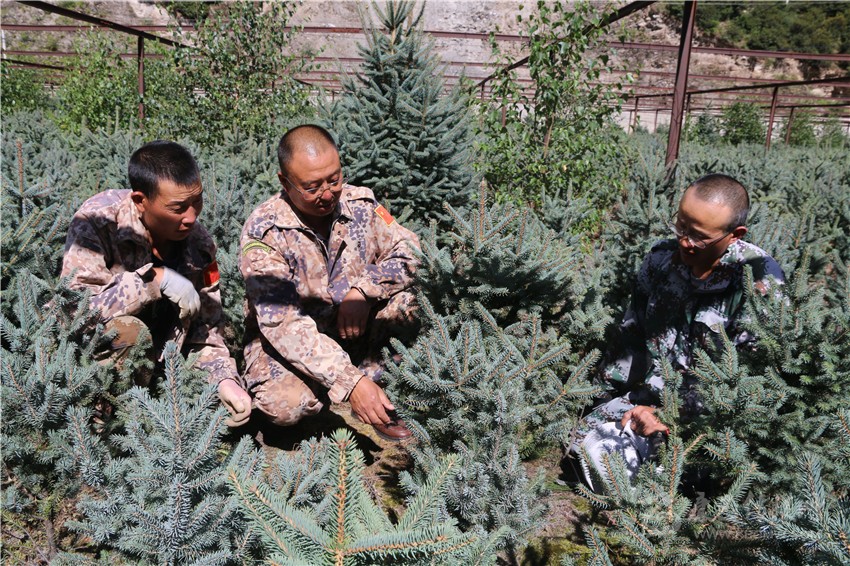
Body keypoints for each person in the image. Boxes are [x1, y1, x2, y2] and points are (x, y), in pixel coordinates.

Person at [573, 173, 785, 490]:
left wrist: (669, 418)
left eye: (698, 236)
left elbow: (751, 382)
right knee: (590, 450)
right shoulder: (661, 260)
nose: (685, 241)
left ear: (735, 235)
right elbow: (631, 340)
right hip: (645, 404)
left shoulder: (758, 279)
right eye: (681, 226)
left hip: (709, 425)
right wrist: (598, 400)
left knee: (645, 474)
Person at [235, 124, 419, 440]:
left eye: (334, 179)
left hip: (354, 329)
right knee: (286, 405)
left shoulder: (361, 204)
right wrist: (349, 381)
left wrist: (364, 289)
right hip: (293, 343)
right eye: (312, 187)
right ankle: (344, 389)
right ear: (284, 182)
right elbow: (283, 325)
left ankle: (377, 387)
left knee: (414, 302)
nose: (328, 193)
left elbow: (412, 251)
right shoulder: (264, 232)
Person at [61, 140, 251, 426]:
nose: (191, 217)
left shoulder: (199, 245)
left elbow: (206, 332)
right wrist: (152, 281)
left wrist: (225, 381)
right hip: (92, 357)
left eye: (197, 201)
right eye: (178, 208)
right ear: (141, 201)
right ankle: (100, 426)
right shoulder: (98, 222)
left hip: (164, 364)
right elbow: (73, 313)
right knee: (129, 332)